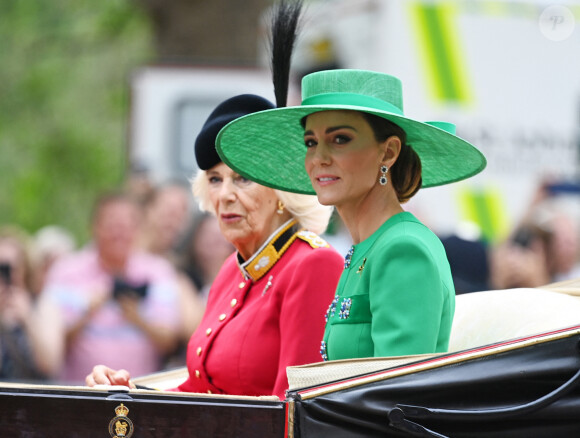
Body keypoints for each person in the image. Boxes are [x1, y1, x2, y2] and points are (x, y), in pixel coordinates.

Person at [216, 68, 487, 361]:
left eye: (340, 139)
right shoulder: (367, 246)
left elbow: (393, 394)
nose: (319, 157)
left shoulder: (403, 248)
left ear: (388, 153)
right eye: (311, 142)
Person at [86, 94, 344, 399]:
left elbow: (295, 411)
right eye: (214, 179)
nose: (224, 195)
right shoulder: (231, 270)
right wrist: (128, 391)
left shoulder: (313, 264)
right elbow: (201, 390)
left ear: (281, 189)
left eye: (243, 178)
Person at [41, 192, 182, 383]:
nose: (120, 232)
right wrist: (87, 311)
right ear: (93, 227)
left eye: (127, 225)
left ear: (138, 229)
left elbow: (169, 340)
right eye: (112, 224)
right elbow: (49, 349)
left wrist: (137, 318)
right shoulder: (65, 272)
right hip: (79, 394)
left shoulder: (158, 271)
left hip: (142, 396)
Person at [0, 226, 61, 381]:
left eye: (11, 268)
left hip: (35, 399)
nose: (7, 275)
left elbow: (49, 365)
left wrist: (28, 318)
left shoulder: (42, 305)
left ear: (26, 268)